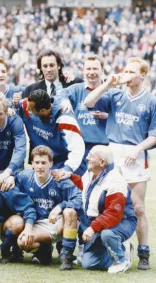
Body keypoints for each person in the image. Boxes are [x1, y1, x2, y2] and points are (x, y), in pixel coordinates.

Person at [84, 57, 156, 270]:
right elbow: (88, 102)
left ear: (142, 75)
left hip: (136, 153)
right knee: (106, 203)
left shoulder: (151, 101)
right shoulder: (115, 94)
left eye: (132, 72)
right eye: (126, 70)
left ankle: (144, 252)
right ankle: (113, 245)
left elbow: (154, 135)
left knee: (138, 207)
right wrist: (108, 83)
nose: (126, 75)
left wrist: (138, 148)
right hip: (114, 152)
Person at [68, 146, 137, 274]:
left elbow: (113, 215)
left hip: (122, 221)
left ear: (102, 162)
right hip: (102, 222)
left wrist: (93, 228)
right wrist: (70, 176)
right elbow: (85, 185)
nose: (87, 158)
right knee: (88, 263)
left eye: (91, 155)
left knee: (108, 234)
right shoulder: (91, 173)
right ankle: (121, 248)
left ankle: (121, 260)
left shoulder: (116, 181)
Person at [14, 145, 82, 270]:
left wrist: (60, 207)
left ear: (51, 164)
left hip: (59, 222)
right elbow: (13, 189)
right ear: (32, 164)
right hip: (38, 223)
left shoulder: (59, 179)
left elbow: (80, 198)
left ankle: (66, 256)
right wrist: (9, 178)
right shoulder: (24, 177)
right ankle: (44, 249)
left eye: (44, 162)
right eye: (37, 162)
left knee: (70, 212)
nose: (40, 166)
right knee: (23, 242)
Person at [18, 90, 86, 177]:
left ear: (42, 111)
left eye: (31, 110)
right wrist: (11, 107)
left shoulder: (65, 119)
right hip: (43, 161)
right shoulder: (29, 104)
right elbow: (10, 104)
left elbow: (77, 148)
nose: (27, 109)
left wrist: (67, 169)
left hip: (63, 162)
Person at [64, 54, 109, 158]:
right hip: (79, 147)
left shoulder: (112, 92)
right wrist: (64, 99)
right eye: (88, 69)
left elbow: (120, 115)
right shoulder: (74, 90)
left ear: (102, 71)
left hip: (104, 147)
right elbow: (57, 97)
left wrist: (108, 116)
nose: (91, 72)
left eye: (95, 69)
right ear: (83, 71)